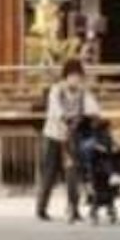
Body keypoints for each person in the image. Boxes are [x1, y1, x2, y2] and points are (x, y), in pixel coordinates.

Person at [35, 59, 95, 222]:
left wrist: (92, 115)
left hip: (72, 135)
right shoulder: (57, 90)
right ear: (66, 77)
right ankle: (41, 208)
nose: (75, 80)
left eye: (78, 76)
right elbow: (55, 109)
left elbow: (92, 107)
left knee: (72, 173)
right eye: (72, 76)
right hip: (54, 134)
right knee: (49, 171)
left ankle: (73, 208)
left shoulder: (83, 92)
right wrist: (65, 117)